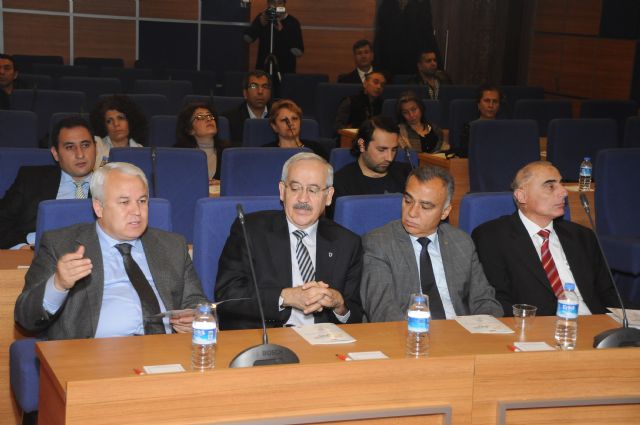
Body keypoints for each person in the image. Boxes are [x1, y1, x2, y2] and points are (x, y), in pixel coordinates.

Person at [14, 161, 209, 340]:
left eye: (142, 201)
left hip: (165, 352)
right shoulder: (61, 245)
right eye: (124, 202)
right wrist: (58, 284)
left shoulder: (172, 245)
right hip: (95, 355)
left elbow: (195, 301)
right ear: (98, 207)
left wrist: (194, 318)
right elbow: (25, 318)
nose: (137, 211)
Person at [215, 152, 363, 330]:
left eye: (313, 190)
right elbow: (227, 296)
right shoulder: (250, 230)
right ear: (282, 191)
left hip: (323, 339)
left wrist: (339, 305)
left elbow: (355, 316)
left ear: (329, 196)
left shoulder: (347, 243)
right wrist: (285, 297)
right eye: (295, 188)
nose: (303, 199)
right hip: (264, 336)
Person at [472, 161, 620, 317]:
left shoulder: (583, 236)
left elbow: (609, 294)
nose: (564, 192)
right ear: (522, 196)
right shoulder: (492, 237)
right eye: (550, 186)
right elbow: (498, 300)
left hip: (595, 322)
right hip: (537, 325)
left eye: (561, 184)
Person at [361, 165, 503, 322]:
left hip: (459, 331)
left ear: (445, 212)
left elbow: (484, 301)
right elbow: (382, 311)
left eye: (425, 206)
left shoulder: (461, 242)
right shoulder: (380, 242)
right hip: (408, 331)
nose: (412, 212)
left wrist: (486, 329)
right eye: (408, 200)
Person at [0, 116, 96, 249]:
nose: (80, 154)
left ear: (95, 148)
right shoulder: (30, 179)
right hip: (35, 253)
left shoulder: (111, 185)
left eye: (85, 145)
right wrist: (22, 247)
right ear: (55, 153)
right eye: (69, 147)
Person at [333, 116, 411, 201]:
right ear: (362, 145)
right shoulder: (341, 183)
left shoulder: (407, 174)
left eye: (394, 150)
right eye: (381, 150)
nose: (390, 158)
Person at [374, 0, 438, 76]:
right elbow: (382, 28)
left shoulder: (421, 3)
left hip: (414, 58)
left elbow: (427, 31)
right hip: (390, 58)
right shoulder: (388, 3)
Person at [244, 0, 304, 75]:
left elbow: (298, 52)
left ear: (284, 5)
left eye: (279, 3)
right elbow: (248, 38)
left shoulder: (292, 22)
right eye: (272, 3)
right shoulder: (263, 18)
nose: (276, 6)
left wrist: (282, 32)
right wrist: (259, 24)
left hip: (285, 71)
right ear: (268, 4)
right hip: (264, 70)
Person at [175, 101, 229, 181]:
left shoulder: (229, 151)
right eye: (200, 117)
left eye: (210, 116)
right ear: (190, 129)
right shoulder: (179, 154)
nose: (208, 119)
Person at [90, 94, 148, 168]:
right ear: (104, 125)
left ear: (130, 121)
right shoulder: (97, 145)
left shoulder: (140, 149)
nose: (116, 124)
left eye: (121, 118)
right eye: (109, 121)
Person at [262, 99, 328, 160]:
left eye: (294, 118)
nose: (290, 123)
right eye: (284, 120)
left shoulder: (316, 150)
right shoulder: (265, 152)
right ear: (274, 126)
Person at [222, 70, 273, 146]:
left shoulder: (277, 116)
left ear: (270, 93)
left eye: (265, 86)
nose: (260, 91)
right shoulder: (229, 119)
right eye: (253, 86)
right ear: (245, 93)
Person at [454, 83, 502, 158]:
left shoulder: (505, 129)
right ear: (479, 105)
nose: (491, 105)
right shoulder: (469, 129)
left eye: (495, 101)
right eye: (487, 101)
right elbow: (465, 156)